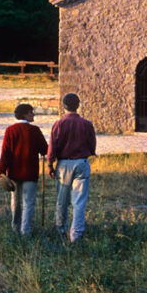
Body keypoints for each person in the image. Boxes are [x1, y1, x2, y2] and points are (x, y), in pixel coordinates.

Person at [47, 92, 96, 242]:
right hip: (81, 162)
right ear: (78, 105)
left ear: (64, 106)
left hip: (63, 164)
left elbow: (52, 146)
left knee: (62, 200)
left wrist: (50, 164)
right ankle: (76, 234)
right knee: (79, 201)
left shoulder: (59, 124)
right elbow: (92, 144)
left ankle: (61, 229)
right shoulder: (86, 124)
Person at [0, 103, 48, 236]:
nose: (33, 115)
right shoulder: (35, 130)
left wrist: (2, 171)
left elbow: (5, 152)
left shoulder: (10, 130)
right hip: (30, 173)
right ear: (25, 114)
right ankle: (25, 231)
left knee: (15, 201)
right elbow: (44, 150)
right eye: (31, 112)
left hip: (14, 173)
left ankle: (15, 227)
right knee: (29, 202)